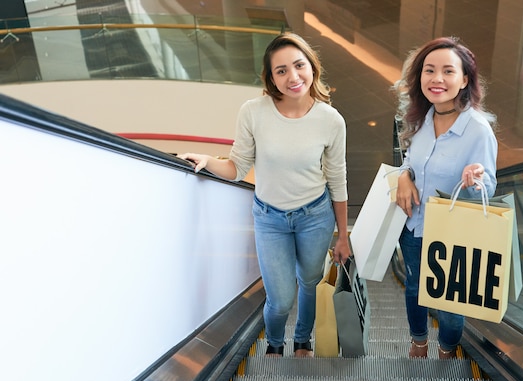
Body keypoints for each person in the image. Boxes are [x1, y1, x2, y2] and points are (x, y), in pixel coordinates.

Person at [178, 33, 351, 358]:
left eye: (299, 66)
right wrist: (206, 160)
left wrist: (343, 235)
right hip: (270, 219)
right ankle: (274, 342)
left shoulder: (331, 120)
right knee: (281, 297)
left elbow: (337, 180)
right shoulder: (254, 111)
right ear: (271, 77)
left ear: (311, 67)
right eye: (281, 70)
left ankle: (302, 341)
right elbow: (238, 166)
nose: (293, 76)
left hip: (315, 216)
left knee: (311, 283)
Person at [393, 37, 498, 359]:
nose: (437, 79)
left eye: (448, 71)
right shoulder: (422, 119)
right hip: (413, 226)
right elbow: (412, 161)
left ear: (465, 79)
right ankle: (418, 341)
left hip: (450, 234)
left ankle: (448, 349)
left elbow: (488, 187)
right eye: (429, 70)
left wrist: (474, 181)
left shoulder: (478, 130)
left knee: (450, 301)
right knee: (414, 288)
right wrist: (403, 175)